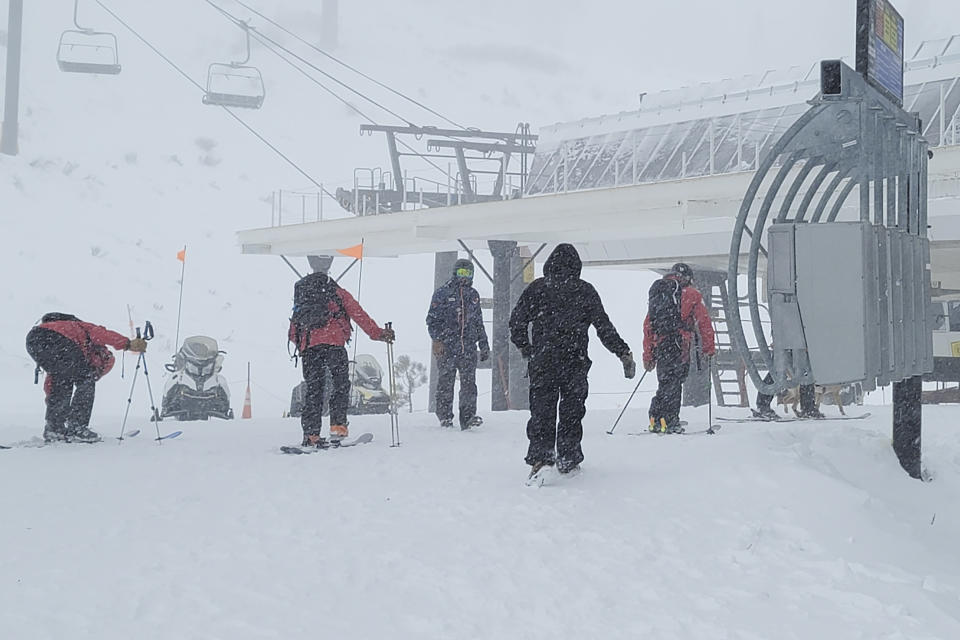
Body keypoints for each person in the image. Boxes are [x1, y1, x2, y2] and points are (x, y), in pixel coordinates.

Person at [510, 244, 636, 477]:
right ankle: (568, 458)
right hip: (574, 362)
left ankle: (541, 458)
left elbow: (516, 322)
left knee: (542, 411)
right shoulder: (584, 290)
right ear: (576, 266)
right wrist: (622, 352)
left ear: (550, 264)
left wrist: (527, 349)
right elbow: (603, 327)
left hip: (543, 362)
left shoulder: (538, 288)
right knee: (572, 412)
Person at [289, 270, 394, 447]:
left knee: (314, 390)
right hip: (334, 345)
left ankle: (311, 434)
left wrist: (304, 345)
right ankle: (337, 428)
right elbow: (359, 315)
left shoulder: (304, 297)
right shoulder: (338, 293)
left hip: (310, 349)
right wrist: (378, 334)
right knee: (340, 386)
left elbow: (293, 330)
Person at [25, 312, 147, 443]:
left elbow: (52, 384)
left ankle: (55, 429)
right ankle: (77, 428)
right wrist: (127, 344)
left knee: (61, 380)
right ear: (100, 356)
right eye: (98, 369)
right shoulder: (84, 329)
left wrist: (56, 408)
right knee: (85, 380)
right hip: (58, 340)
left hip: (34, 339)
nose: (96, 373)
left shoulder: (64, 332)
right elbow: (104, 334)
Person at [643, 263, 715, 433]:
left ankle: (656, 417)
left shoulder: (660, 292)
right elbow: (704, 323)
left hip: (660, 343)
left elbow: (648, 325)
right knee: (676, 381)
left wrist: (648, 355)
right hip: (680, 343)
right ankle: (670, 421)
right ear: (689, 278)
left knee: (665, 381)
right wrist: (708, 348)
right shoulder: (692, 294)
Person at [426, 258, 490, 429]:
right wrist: (437, 340)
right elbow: (432, 320)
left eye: (468, 274)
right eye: (461, 273)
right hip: (447, 347)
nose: (464, 277)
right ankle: (445, 416)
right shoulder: (442, 293)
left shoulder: (473, 295)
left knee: (469, 383)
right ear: (455, 273)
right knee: (446, 382)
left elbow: (478, 322)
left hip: (468, 347)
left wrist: (484, 344)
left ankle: (468, 416)